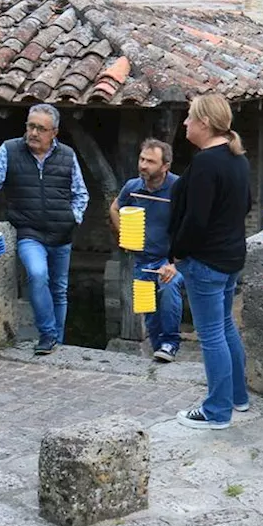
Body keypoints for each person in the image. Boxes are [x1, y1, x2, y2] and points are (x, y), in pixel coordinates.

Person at [159, 94, 253, 429]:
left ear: (204, 123)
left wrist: (177, 253)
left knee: (211, 334)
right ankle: (238, 397)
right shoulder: (236, 158)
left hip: (206, 262)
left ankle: (216, 411)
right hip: (230, 256)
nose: (184, 123)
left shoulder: (206, 163)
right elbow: (246, 205)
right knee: (225, 326)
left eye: (189, 117)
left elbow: (195, 219)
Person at [0, 103, 89, 355]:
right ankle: (47, 334)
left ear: (53, 132)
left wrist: (73, 217)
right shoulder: (10, 150)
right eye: (30, 126)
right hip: (28, 232)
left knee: (59, 290)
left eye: (40, 129)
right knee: (36, 274)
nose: (33, 133)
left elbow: (81, 193)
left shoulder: (67, 155)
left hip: (61, 233)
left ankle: (58, 342)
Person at [111, 139, 183, 362]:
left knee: (168, 291)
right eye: (142, 159)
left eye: (150, 161)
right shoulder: (133, 187)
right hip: (142, 259)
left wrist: (174, 262)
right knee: (147, 309)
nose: (143, 165)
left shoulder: (179, 188)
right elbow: (115, 207)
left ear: (165, 166)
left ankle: (171, 342)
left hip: (170, 259)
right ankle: (158, 349)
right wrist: (124, 233)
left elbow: (192, 225)